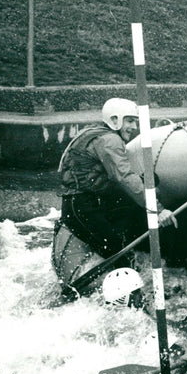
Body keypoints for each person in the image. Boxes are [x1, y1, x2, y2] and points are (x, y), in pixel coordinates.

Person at [58, 98, 177, 261]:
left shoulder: (95, 132)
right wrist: (158, 209)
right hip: (82, 208)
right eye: (129, 121)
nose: (134, 127)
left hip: (87, 203)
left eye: (135, 122)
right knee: (118, 253)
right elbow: (125, 178)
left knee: (149, 182)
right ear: (114, 120)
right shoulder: (110, 140)